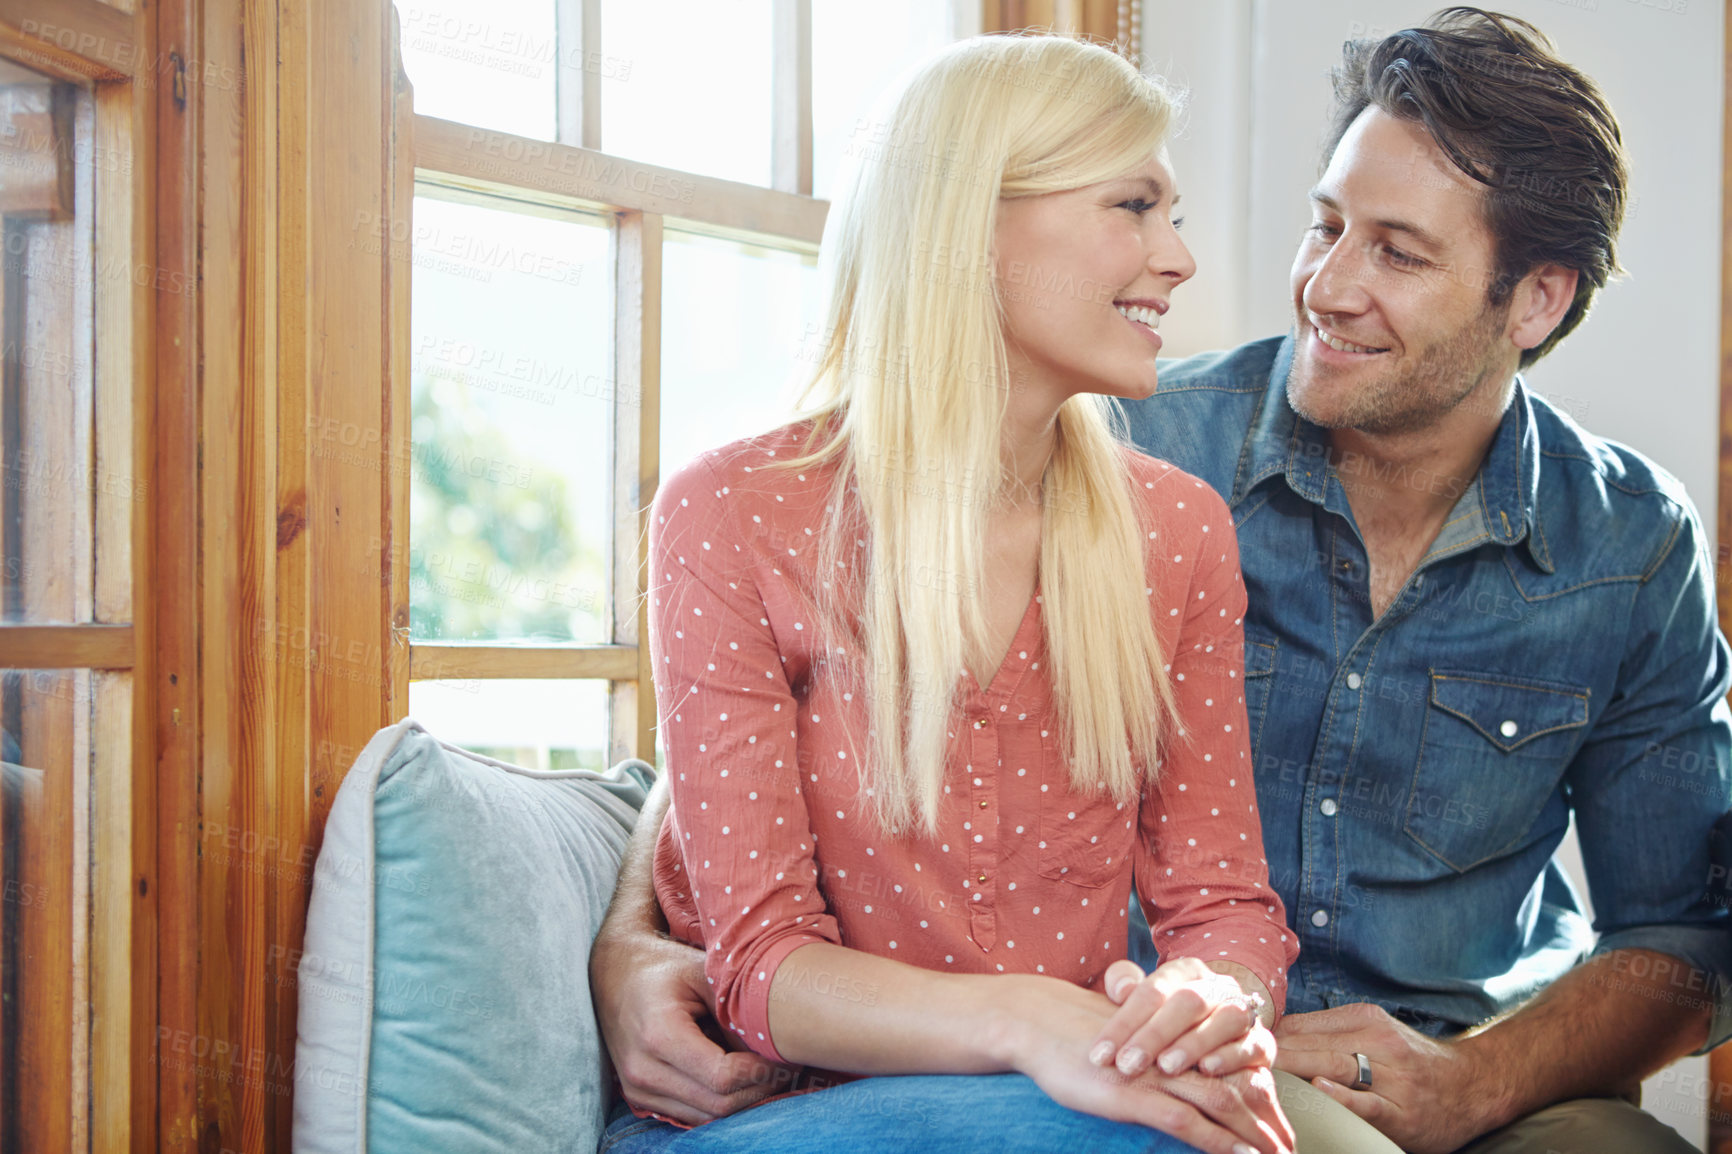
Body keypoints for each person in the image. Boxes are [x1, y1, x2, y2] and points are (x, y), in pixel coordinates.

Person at [591, 9, 1732, 1154]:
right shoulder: (1133, 426)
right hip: (1099, 1056)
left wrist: (1469, 1080)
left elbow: (1688, 932)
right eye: (1324, 225)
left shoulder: (1624, 545)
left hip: (1409, 1050)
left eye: (1397, 250)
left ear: (1533, 299)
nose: (1325, 287)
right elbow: (753, 763)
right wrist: (632, 939)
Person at [598, 31, 1311, 1154]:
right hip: (778, 1112)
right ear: (972, 222)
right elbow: (761, 965)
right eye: (1133, 204)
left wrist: (1210, 1003)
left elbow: (1221, 904)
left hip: (1073, 1096)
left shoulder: (1176, 530)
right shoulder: (733, 512)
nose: (1177, 257)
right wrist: (1035, 1021)